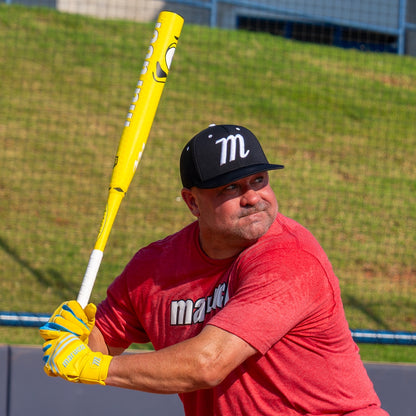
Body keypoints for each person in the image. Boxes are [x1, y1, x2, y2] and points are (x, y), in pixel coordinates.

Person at [40, 124, 389, 415]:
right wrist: (73, 340)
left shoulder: (289, 257)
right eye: (231, 188)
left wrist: (92, 367)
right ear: (192, 202)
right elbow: (97, 346)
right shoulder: (153, 268)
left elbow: (207, 363)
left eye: (258, 180)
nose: (253, 197)